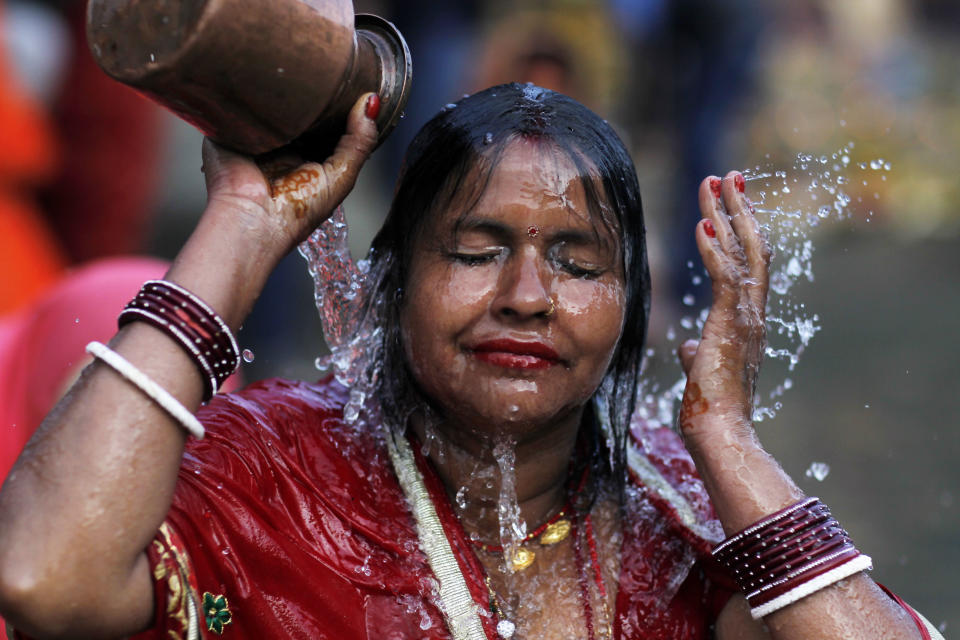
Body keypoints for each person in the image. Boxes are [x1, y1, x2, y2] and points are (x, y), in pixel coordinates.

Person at [0, 84, 939, 639]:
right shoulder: (271, 470)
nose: (528, 295)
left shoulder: (681, 512)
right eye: (478, 250)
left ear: (628, 311)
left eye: (577, 262)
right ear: (394, 286)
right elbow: (43, 577)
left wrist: (724, 436)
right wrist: (243, 228)